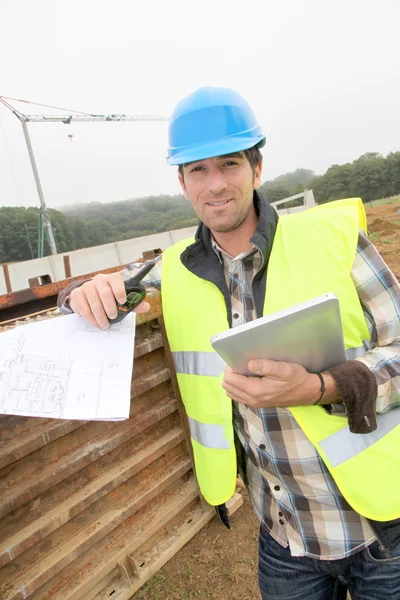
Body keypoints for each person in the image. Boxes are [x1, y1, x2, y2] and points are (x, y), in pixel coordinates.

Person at [58, 87, 400, 600]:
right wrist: (78, 293)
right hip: (285, 544)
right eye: (197, 169)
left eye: (230, 164)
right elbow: (86, 296)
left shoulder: (333, 239)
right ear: (181, 181)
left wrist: (321, 386)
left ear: (256, 169)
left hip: (380, 531)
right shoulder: (173, 270)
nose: (215, 184)